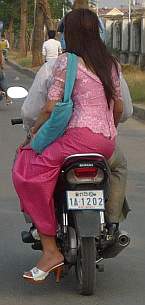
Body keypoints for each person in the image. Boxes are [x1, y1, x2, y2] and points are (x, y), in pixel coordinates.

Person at [12, 8, 125, 283]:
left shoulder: (67, 62)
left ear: (69, 34)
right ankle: (111, 223)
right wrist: (108, 129)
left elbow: (51, 107)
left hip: (76, 141)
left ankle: (50, 250)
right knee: (118, 167)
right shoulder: (110, 62)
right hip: (106, 144)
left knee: (26, 169)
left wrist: (33, 134)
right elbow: (119, 107)